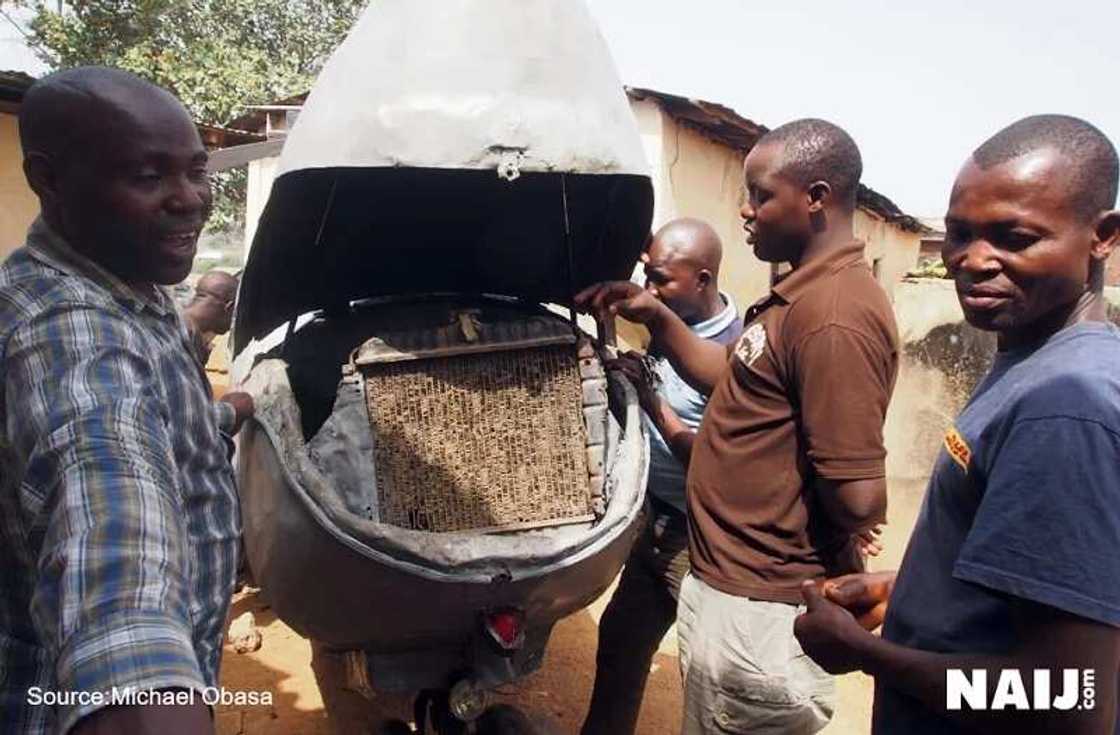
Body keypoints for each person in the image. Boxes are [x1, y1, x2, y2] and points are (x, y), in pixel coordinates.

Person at [793, 114, 1120, 735]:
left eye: (1014, 237)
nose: (972, 261)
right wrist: (912, 588)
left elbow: (1069, 699)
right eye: (959, 233)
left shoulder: (1066, 405)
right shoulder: (1034, 360)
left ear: (1101, 237)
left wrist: (865, 654)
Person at [578, 118, 898, 734]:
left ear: (817, 199)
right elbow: (727, 375)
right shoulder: (795, 298)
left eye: (760, 194)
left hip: (766, 600)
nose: (745, 211)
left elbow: (858, 497)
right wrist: (652, 314)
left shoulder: (834, 316)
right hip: (728, 581)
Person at [0, 66, 254, 735]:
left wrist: (237, 410)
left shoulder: (129, 282)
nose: (190, 198)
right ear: (48, 180)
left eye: (197, 170)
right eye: (148, 177)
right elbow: (108, 501)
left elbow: (166, 421)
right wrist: (140, 694)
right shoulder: (70, 334)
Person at [582, 218, 742, 735]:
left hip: (701, 541)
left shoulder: (738, 353)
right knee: (622, 645)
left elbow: (719, 463)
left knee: (712, 676)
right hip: (655, 525)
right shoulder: (675, 319)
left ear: (702, 279)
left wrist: (652, 405)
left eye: (661, 281)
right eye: (647, 277)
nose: (650, 292)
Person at [184, 268, 239, 365]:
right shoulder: (185, 340)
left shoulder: (175, 323)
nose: (233, 323)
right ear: (229, 307)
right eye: (235, 313)